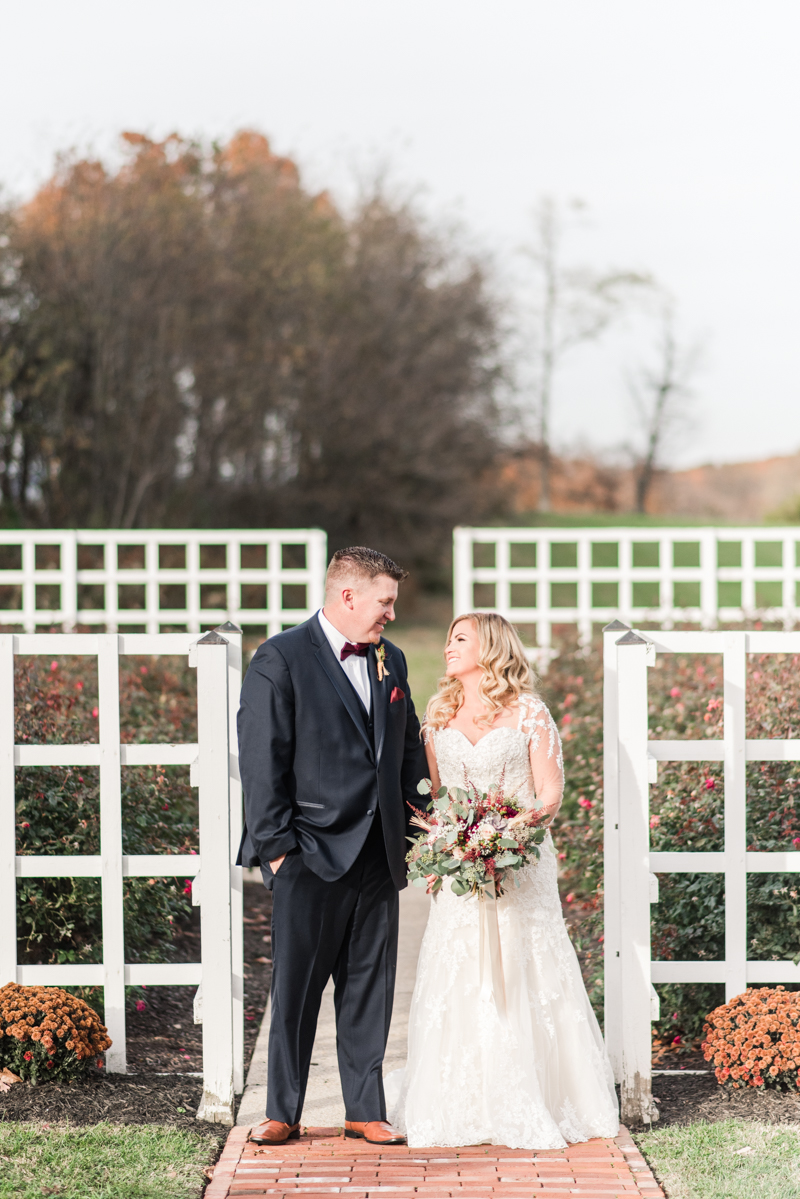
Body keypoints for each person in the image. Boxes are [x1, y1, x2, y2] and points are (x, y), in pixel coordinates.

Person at [386, 612, 619, 1149]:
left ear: (490, 648)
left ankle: (536, 1095)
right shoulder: (439, 716)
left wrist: (504, 837)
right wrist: (457, 843)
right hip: (461, 871)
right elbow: (437, 800)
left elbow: (550, 793)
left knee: (526, 967)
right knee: (459, 967)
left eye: (459, 639)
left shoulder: (530, 715)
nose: (448, 647)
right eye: (446, 638)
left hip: (521, 864)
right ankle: (459, 1100)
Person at [237, 546, 427, 1146]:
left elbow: (406, 750)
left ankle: (364, 1110)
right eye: (385, 602)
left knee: (370, 982)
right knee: (295, 988)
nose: (391, 615)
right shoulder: (280, 657)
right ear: (348, 596)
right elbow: (261, 759)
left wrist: (423, 823)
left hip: (378, 852)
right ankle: (281, 1111)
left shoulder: (390, 661)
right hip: (307, 852)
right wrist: (277, 849)